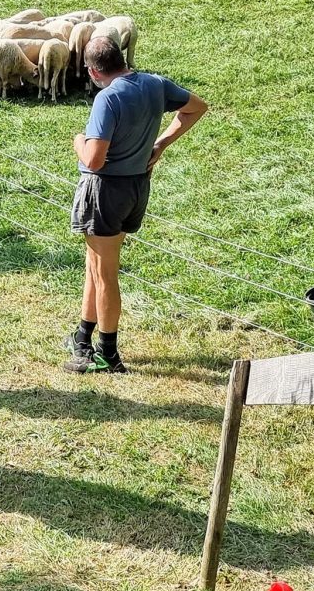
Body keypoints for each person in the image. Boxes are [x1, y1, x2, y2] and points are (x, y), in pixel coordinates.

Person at [64, 36, 209, 374]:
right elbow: (197, 107)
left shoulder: (108, 98)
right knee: (96, 266)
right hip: (135, 188)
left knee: (105, 274)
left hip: (105, 192)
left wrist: (78, 142)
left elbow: (94, 160)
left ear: (92, 71)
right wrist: (161, 144)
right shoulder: (154, 84)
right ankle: (82, 337)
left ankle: (107, 355)